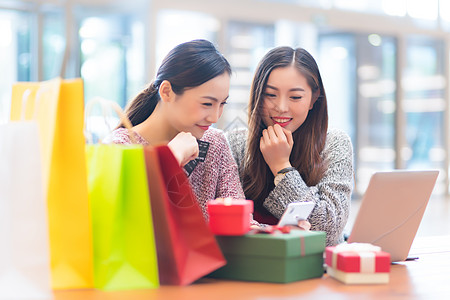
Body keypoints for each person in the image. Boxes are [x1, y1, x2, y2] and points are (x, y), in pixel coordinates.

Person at [226, 46, 354, 246]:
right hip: (254, 266)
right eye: (270, 95)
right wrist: (286, 234)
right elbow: (228, 223)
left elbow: (329, 231)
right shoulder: (234, 144)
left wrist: (282, 168)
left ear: (313, 98)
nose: (281, 107)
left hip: (317, 270)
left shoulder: (334, 143)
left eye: (295, 97)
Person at [109, 39, 245, 217]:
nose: (215, 117)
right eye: (207, 103)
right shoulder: (120, 146)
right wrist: (170, 157)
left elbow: (243, 219)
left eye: (222, 104)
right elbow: (126, 214)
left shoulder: (214, 142)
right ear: (166, 92)